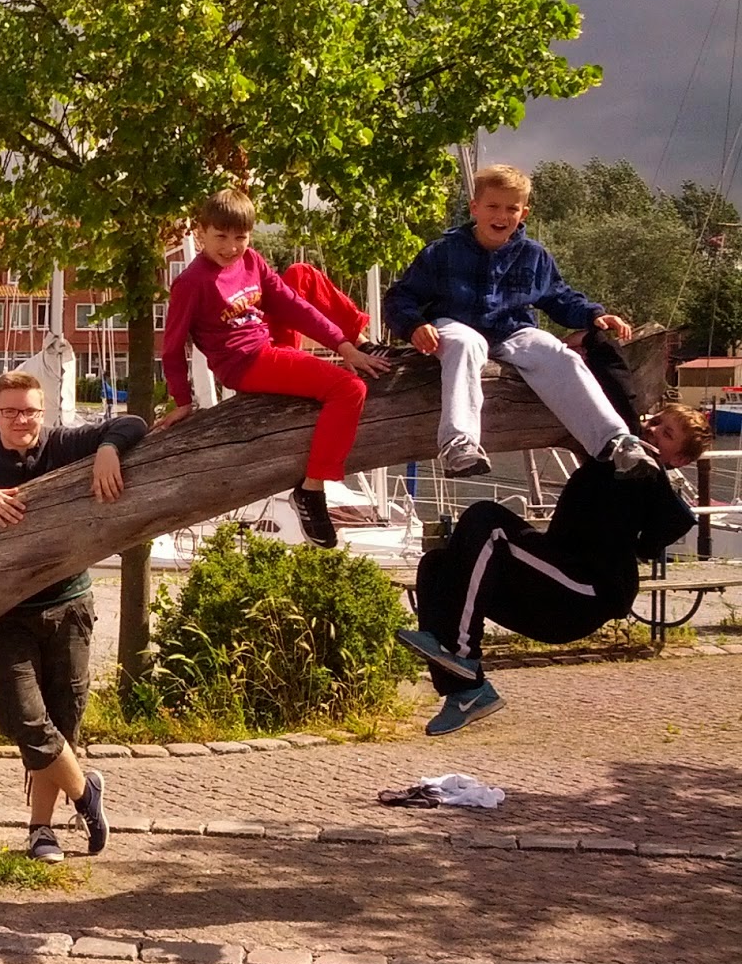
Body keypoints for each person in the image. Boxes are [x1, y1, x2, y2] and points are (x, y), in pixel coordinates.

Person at [0, 371, 145, 862]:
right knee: (19, 715)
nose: (21, 420)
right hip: (9, 610)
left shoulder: (63, 445)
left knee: (62, 720)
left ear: (43, 412)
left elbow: (134, 423)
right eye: (10, 412)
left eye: (30, 411)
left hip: (70, 604)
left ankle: (42, 831)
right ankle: (85, 793)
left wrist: (108, 449)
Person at [402, 403, 706, 735]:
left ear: (679, 460)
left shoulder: (647, 474)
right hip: (552, 578)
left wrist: (652, 483)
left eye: (666, 434)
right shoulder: (612, 452)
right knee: (436, 566)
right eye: (656, 421)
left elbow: (674, 523)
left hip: (584, 595)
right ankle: (466, 692)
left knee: (487, 520)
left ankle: (461, 653)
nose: (653, 430)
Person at [383, 162, 654, 481]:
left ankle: (617, 441)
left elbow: (559, 297)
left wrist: (594, 315)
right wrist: (414, 325)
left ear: (523, 213)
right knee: (466, 344)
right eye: (493, 206)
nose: (501, 216)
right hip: (456, 323)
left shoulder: (533, 256)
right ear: (475, 208)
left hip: (511, 329)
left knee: (557, 353)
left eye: (511, 208)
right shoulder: (443, 252)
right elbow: (399, 297)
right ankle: (459, 444)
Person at [159, 187, 390, 547]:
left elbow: (291, 304)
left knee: (301, 276)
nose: (231, 247)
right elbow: (172, 347)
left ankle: (362, 343)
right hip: (244, 363)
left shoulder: (251, 260)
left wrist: (343, 344)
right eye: (221, 237)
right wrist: (183, 401)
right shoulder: (191, 283)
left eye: (240, 237)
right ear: (201, 233)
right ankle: (311, 489)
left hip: (267, 343)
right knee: (349, 389)